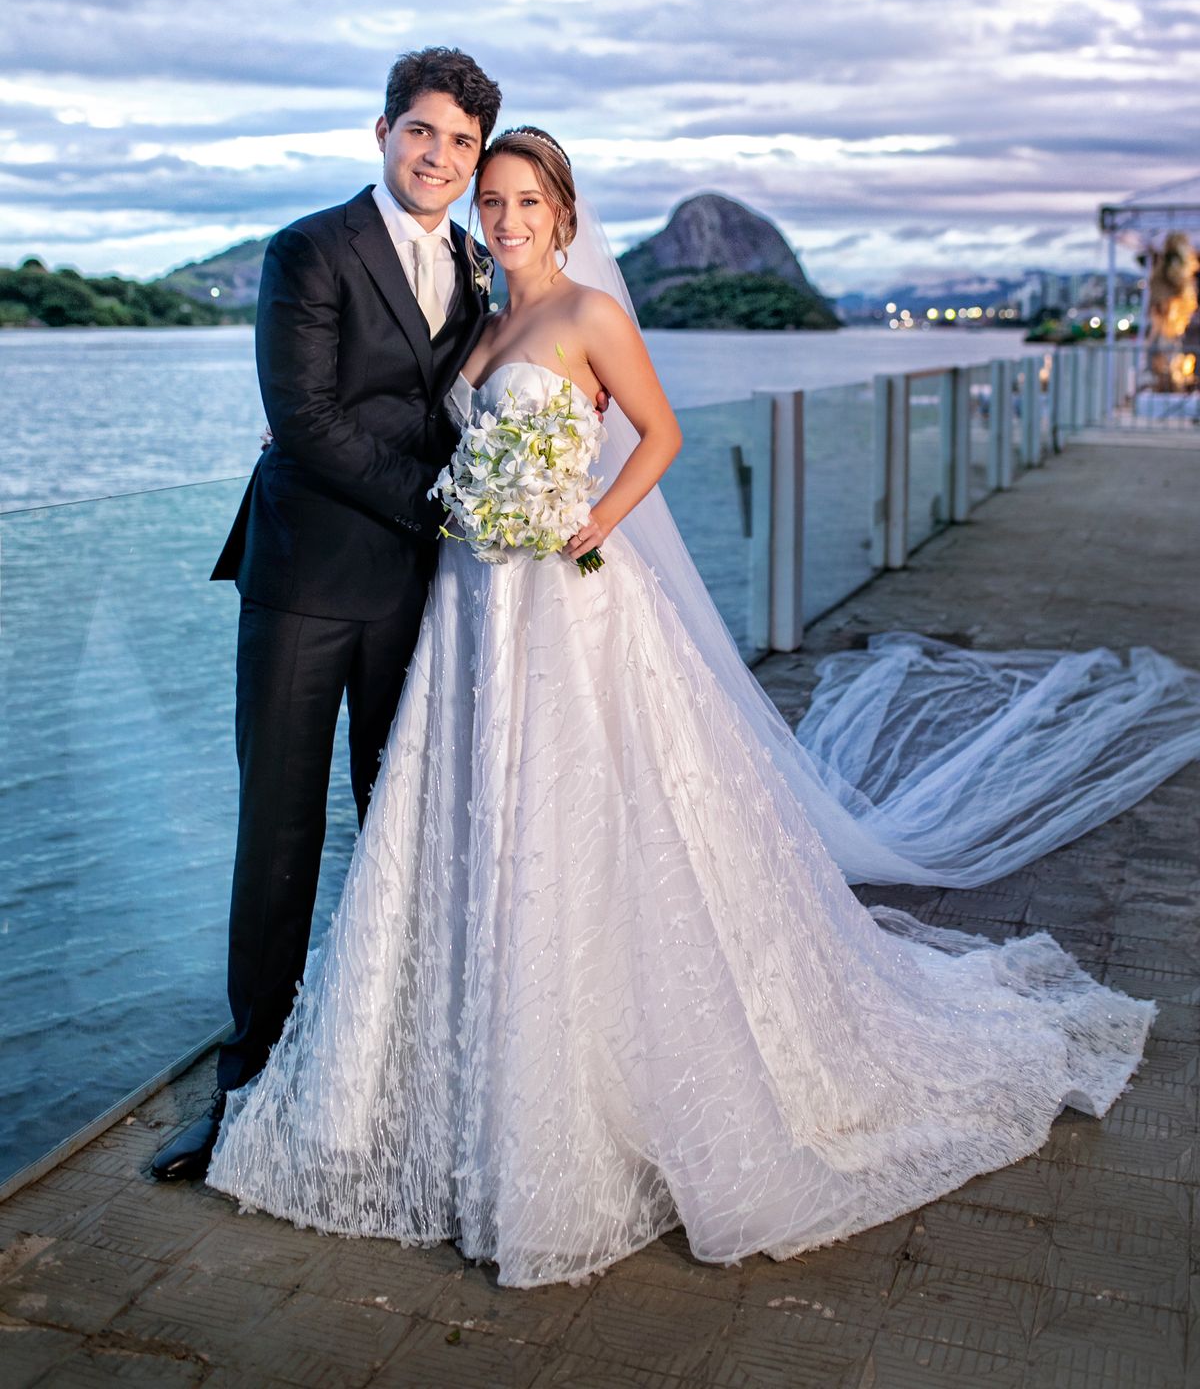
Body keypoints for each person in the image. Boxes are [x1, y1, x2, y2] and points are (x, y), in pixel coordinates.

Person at [205, 128, 1179, 1288]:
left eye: (526, 202)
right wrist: (319, 435)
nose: (506, 219)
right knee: (472, 818)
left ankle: (581, 1090)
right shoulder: (482, 318)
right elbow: (415, 421)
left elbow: (658, 434)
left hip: (562, 596)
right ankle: (449, 1058)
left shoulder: (589, 315)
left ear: (564, 217)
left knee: (583, 818)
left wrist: (588, 520)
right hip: (469, 606)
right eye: (492, 201)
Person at [150, 47, 502, 1182]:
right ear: (383, 131)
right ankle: (245, 1092)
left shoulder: (478, 264)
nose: (438, 156)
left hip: (416, 595)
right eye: (421, 131)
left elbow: (469, 405)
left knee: (400, 828)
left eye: (460, 141)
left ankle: (380, 1069)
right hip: (304, 584)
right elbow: (302, 420)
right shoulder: (309, 248)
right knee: (281, 839)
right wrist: (448, 505)